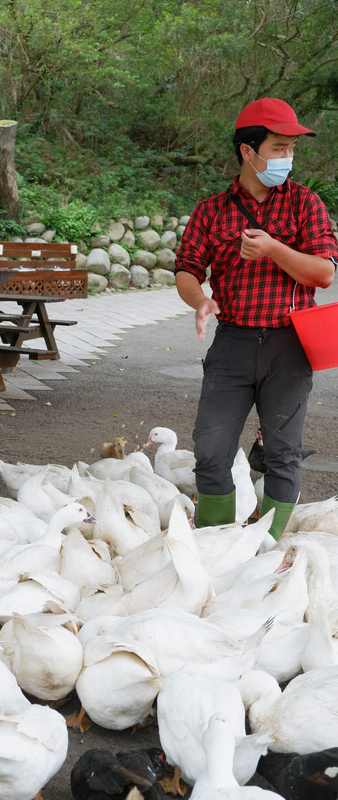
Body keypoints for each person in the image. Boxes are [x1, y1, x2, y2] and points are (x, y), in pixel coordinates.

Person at [174, 97, 338, 539]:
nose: (287, 157)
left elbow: (324, 273)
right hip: (232, 344)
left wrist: (273, 249)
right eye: (279, 147)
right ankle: (215, 543)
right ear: (249, 152)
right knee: (209, 451)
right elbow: (187, 268)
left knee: (283, 453)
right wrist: (200, 301)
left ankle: (265, 551)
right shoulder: (212, 211)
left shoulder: (305, 204)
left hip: (290, 345)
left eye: (291, 149)